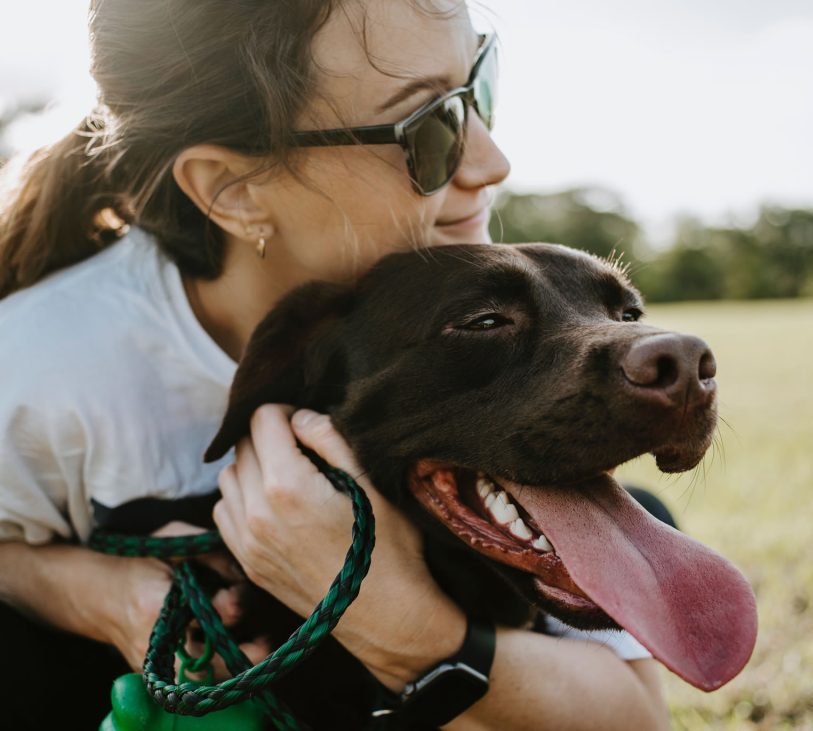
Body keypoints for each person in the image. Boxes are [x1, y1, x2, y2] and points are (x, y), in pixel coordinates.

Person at [0, 0, 672, 728]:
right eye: (429, 127)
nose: (491, 161)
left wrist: (392, 613)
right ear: (234, 189)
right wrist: (105, 595)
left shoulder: (473, 275)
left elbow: (635, 719)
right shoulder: (38, 367)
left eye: (480, 84)